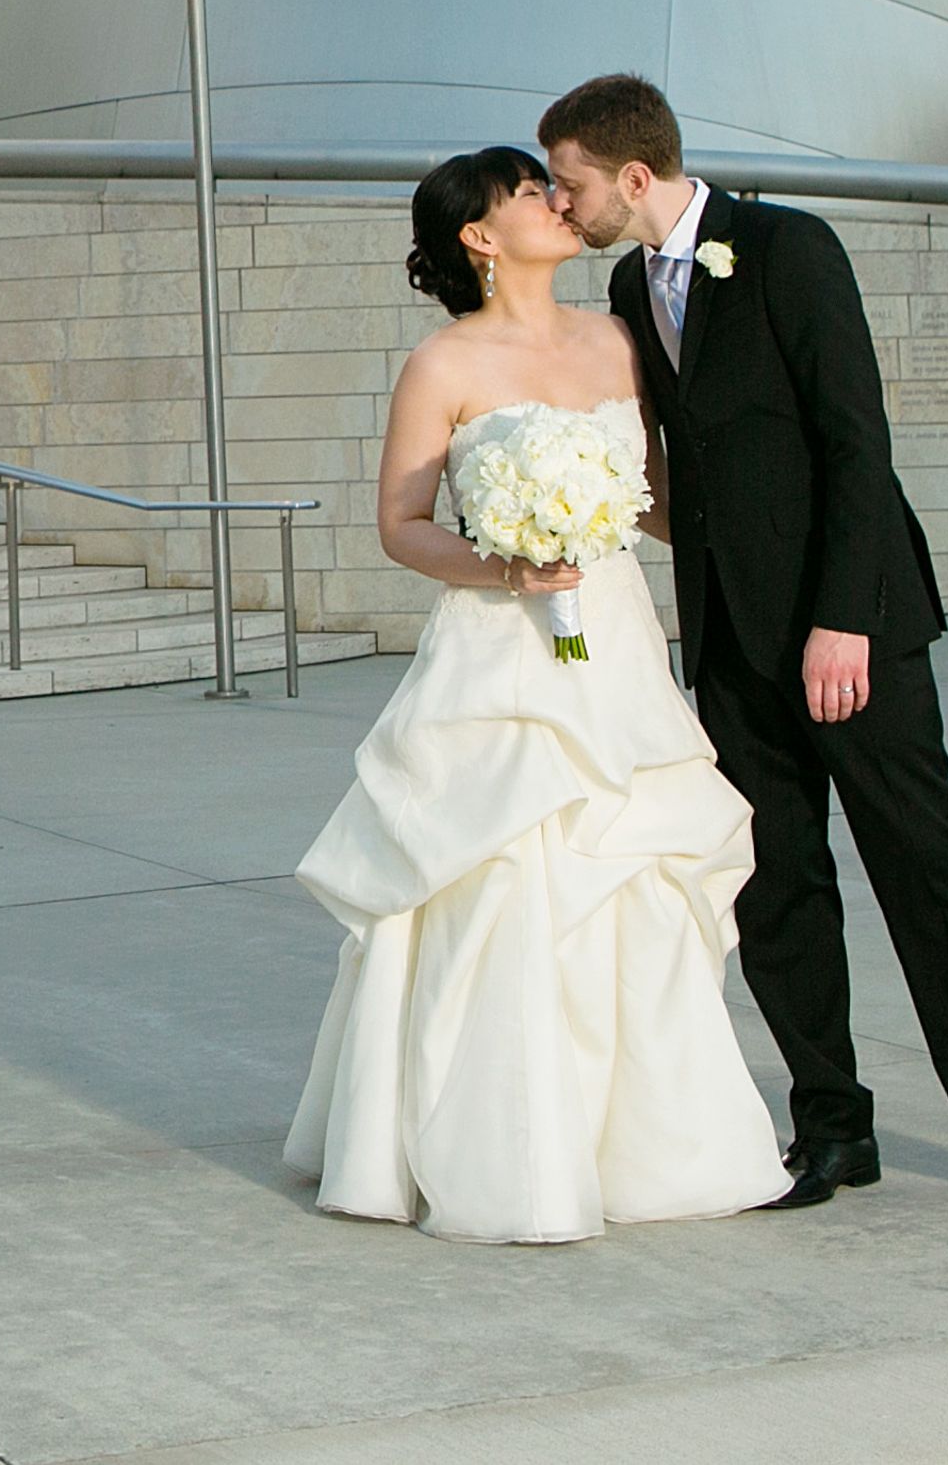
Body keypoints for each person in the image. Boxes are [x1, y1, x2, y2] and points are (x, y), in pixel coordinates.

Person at [536, 73, 948, 1233]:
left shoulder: (789, 249)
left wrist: (844, 619)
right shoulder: (631, 286)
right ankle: (835, 1126)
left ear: (633, 176)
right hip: (733, 646)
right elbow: (692, 472)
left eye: (569, 182)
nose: (560, 201)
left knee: (926, 875)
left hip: (854, 629)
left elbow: (855, 442)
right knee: (779, 890)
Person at [284, 146, 787, 1243]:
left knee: (632, 870)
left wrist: (757, 525)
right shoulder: (443, 364)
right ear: (479, 235)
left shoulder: (617, 337)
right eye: (528, 192)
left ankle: (649, 1149)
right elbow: (401, 526)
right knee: (505, 873)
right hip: (500, 653)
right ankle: (509, 1155)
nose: (557, 202)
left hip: (615, 644)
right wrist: (507, 564)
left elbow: (658, 499)